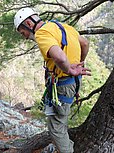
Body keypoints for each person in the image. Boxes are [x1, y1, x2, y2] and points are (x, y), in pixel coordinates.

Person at [14, 7, 91, 153]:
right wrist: (79, 63)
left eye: (22, 32)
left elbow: (60, 57)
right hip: (73, 83)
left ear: (29, 24)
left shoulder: (42, 33)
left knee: (56, 127)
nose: (24, 36)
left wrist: (69, 69)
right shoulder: (63, 27)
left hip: (62, 84)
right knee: (59, 121)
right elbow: (85, 44)